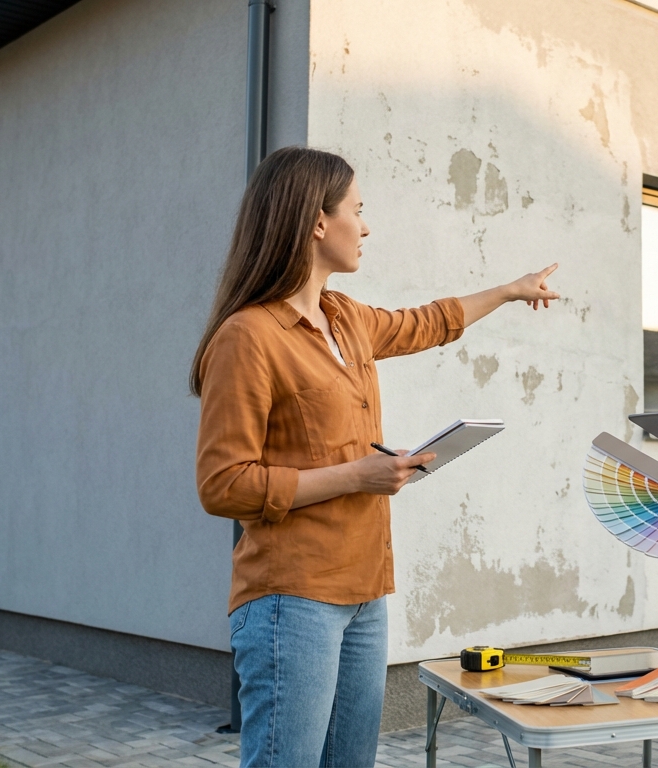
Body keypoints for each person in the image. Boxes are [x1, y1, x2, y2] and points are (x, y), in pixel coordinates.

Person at [190, 146, 559, 768]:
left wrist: (511, 291)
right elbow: (223, 485)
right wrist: (356, 475)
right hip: (292, 599)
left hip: (365, 594)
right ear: (315, 221)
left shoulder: (345, 319)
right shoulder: (247, 337)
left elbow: (428, 322)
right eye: (357, 211)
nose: (365, 227)